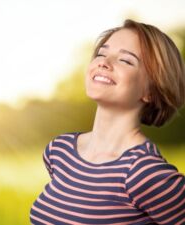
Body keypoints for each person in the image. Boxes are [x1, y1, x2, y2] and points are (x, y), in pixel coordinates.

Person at [30, 19, 185, 225]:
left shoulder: (145, 173)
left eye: (126, 60)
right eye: (102, 53)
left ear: (150, 90)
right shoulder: (59, 151)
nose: (103, 62)